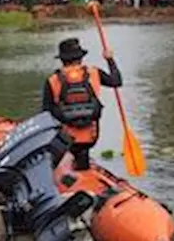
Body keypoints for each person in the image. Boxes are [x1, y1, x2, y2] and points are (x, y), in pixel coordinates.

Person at [42, 37, 122, 171]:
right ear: (81, 58)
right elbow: (117, 81)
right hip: (91, 136)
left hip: (65, 139)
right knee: (83, 152)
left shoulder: (52, 80)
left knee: (57, 154)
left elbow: (45, 112)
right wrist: (110, 60)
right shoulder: (94, 73)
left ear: (62, 59)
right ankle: (84, 171)